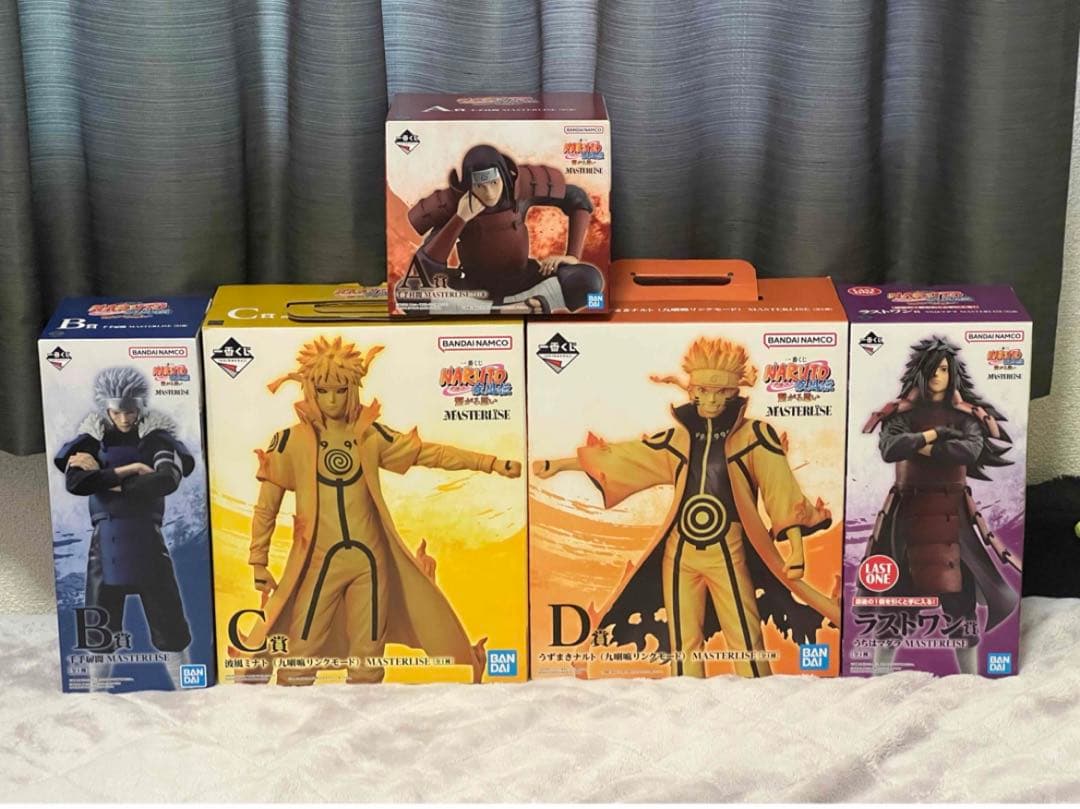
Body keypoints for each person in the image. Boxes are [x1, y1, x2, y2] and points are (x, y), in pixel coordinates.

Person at [533, 337, 838, 678]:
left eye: (720, 392)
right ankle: (686, 703)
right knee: (683, 642)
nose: (710, 400)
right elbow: (622, 457)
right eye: (702, 390)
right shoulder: (678, 440)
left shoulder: (755, 435)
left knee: (745, 638)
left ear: (733, 392)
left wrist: (796, 548)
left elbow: (780, 489)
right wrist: (559, 465)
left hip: (728, 548)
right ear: (691, 390)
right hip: (679, 551)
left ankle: (758, 700)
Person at [239, 335, 521, 685]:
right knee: (301, 652)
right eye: (323, 390)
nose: (331, 400)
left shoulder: (370, 435)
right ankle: (289, 715)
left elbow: (428, 454)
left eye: (340, 390)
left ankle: (368, 719)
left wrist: (489, 463)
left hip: (370, 562)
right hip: (319, 562)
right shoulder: (289, 442)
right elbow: (266, 507)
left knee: (368, 659)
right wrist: (258, 561)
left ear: (353, 389)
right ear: (309, 389)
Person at [858, 336, 1021, 675]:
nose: (937, 376)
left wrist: (921, 447)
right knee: (893, 609)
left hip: (953, 520)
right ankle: (875, 681)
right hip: (906, 518)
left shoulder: (967, 416)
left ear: (952, 374)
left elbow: (969, 451)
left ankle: (970, 682)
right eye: (932, 369)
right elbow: (890, 448)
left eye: (943, 369)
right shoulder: (899, 414)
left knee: (961, 607)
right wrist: (935, 435)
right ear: (921, 372)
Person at [55, 366, 195, 654]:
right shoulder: (91, 440)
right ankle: (97, 680)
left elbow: (166, 480)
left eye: (129, 412)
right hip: (104, 542)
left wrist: (105, 479)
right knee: (98, 637)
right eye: (116, 412)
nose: (123, 419)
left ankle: (182, 673)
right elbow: (76, 482)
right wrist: (130, 470)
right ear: (106, 409)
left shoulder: (156, 437)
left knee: (171, 634)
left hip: (148, 538)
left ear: (139, 407)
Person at [403, 144, 603, 314]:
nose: (489, 193)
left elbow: (578, 198)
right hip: (475, 289)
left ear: (504, 177)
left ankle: (508, 308)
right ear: (469, 185)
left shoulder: (520, 190)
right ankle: (516, 308)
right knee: (409, 297)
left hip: (524, 279)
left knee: (589, 280)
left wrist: (572, 256)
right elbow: (423, 268)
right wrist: (460, 218)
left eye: (493, 183)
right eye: (480, 186)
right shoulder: (457, 205)